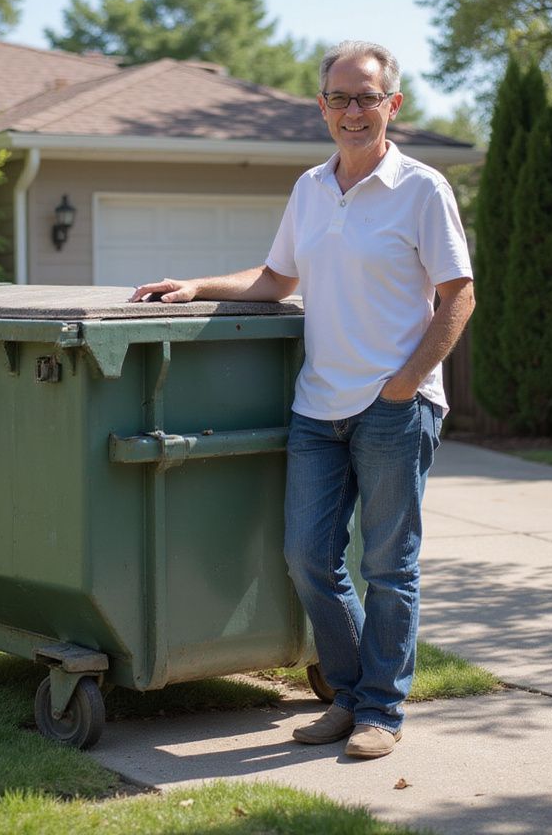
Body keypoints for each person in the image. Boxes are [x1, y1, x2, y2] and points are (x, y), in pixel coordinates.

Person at [130, 40, 474, 760]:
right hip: (318, 407)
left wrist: (405, 385)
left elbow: (458, 296)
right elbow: (275, 279)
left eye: (367, 97)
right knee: (308, 558)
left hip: (393, 409)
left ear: (393, 105)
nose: (354, 111)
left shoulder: (422, 189)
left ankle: (381, 709)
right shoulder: (310, 189)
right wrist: (196, 286)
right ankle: (347, 697)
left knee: (389, 566)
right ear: (322, 107)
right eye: (340, 98)